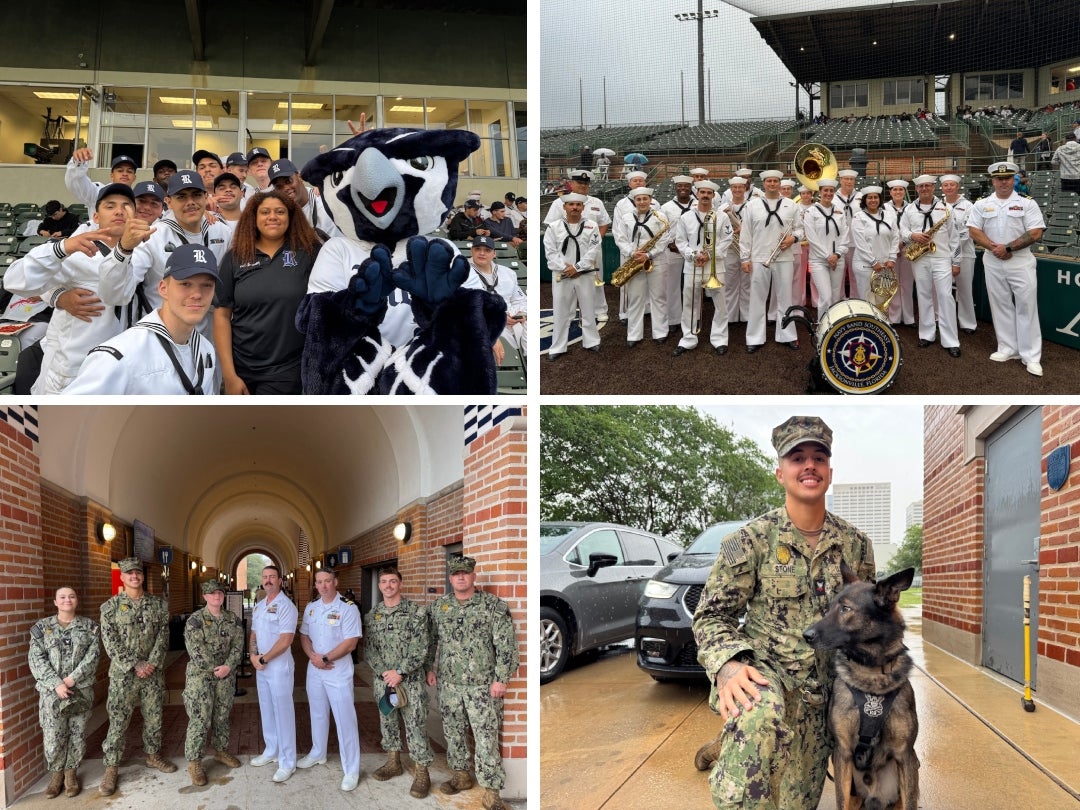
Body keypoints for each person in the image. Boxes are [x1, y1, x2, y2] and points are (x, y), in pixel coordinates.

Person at [692, 416, 876, 810]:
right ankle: (744, 739)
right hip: (768, 677)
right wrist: (728, 666)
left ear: (829, 471)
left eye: (818, 457)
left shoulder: (857, 546)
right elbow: (711, 616)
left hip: (826, 697)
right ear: (780, 472)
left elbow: (867, 622)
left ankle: (730, 745)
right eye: (797, 458)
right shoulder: (748, 542)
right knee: (758, 720)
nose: (809, 465)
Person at [1, 183, 137, 394]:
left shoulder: (142, 249)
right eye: (110, 206)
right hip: (74, 371)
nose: (119, 210)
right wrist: (61, 250)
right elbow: (14, 280)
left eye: (126, 205)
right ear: (96, 217)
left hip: (119, 368)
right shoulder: (78, 250)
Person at [64, 243, 221, 394]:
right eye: (185, 284)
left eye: (207, 285)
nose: (197, 295)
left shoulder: (205, 348)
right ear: (163, 289)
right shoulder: (120, 356)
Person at [426, 556, 519, 810]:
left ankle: (492, 791)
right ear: (450, 578)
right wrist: (429, 668)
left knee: (486, 737)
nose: (460, 577)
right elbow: (431, 640)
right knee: (454, 733)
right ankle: (461, 776)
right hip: (449, 685)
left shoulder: (493, 606)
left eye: (465, 573)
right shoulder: (440, 607)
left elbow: (506, 645)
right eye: (456, 574)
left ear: (473, 576)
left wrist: (501, 679)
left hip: (482, 686)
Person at [213, 190, 320, 394]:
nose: (272, 217)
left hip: (288, 369)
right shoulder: (235, 257)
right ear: (254, 218)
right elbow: (222, 315)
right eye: (265, 212)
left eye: (280, 212)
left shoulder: (308, 252)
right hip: (241, 368)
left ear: (290, 217)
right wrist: (229, 375)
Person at [98, 557, 176, 796]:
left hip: (152, 673)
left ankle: (153, 756)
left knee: (154, 716)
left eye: (138, 573)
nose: (134, 576)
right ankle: (111, 767)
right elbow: (110, 642)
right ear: (122, 577)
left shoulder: (158, 605)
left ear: (143, 576)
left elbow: (163, 636)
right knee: (119, 720)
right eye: (129, 573)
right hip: (124, 675)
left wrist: (151, 663)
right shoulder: (110, 608)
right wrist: (135, 663)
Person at [966, 160, 1047, 377]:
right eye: (999, 178)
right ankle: (1008, 348)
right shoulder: (981, 204)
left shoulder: (1027, 203)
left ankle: (1031, 356)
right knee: (1000, 305)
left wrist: (1009, 247)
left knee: (1026, 307)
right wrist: (995, 248)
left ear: (1014, 179)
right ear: (993, 180)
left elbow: (1036, 231)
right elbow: (974, 230)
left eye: (1008, 178)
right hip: (993, 260)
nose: (1003, 182)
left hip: (1020, 261)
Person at [364, 566, 435, 799]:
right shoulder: (372, 616)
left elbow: (421, 647)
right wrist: (386, 673)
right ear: (379, 585)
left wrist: (400, 672)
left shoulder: (416, 612)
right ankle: (393, 762)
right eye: (384, 581)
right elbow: (370, 650)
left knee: (415, 725)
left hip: (410, 682)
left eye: (392, 581)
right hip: (383, 681)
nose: (388, 585)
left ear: (400, 584)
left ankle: (422, 772)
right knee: (388, 721)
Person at [28, 587, 100, 799]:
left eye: (71, 596)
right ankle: (56, 775)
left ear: (76, 600)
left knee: (77, 734)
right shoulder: (42, 628)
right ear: (55, 602)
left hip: (80, 690)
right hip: (52, 694)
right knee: (53, 735)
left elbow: (93, 656)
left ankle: (71, 775)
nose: (67, 600)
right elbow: (36, 659)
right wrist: (56, 684)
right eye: (62, 597)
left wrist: (72, 679)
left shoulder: (90, 627)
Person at [298, 569, 362, 792]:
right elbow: (304, 635)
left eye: (327, 581)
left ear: (335, 582)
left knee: (345, 719)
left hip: (337, 669)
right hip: (315, 668)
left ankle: (351, 769)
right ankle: (318, 752)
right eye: (319, 582)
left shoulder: (348, 607)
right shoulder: (312, 607)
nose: (323, 585)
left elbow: (351, 642)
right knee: (317, 712)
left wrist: (325, 658)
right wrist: (314, 658)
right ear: (315, 585)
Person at [183, 579, 244, 786]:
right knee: (200, 719)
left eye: (220, 593)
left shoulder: (232, 620)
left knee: (221, 715)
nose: (216, 596)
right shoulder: (195, 620)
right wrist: (214, 669)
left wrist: (228, 666)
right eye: (212, 593)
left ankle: (220, 751)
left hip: (226, 677)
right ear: (205, 597)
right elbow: (195, 650)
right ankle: (194, 762)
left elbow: (238, 646)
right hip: (201, 678)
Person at [740, 169, 803, 352]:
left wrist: (793, 239)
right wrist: (745, 258)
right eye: (769, 181)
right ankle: (754, 338)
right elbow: (746, 234)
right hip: (759, 257)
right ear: (764, 184)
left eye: (775, 181)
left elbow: (800, 230)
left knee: (785, 297)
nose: (772, 184)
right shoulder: (752, 206)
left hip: (784, 258)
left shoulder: (791, 205)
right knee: (757, 299)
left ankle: (787, 335)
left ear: (780, 183)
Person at [899, 174, 962, 357]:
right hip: (920, 258)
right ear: (916, 189)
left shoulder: (946, 208)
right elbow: (902, 230)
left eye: (928, 186)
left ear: (934, 187)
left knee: (945, 296)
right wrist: (913, 236)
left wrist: (956, 262)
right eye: (921, 187)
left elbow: (955, 237)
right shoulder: (910, 209)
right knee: (923, 295)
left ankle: (951, 340)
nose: (924, 189)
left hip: (942, 257)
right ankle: (927, 335)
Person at [672, 180, 733, 357]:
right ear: (696, 194)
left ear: (713, 196)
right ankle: (688, 338)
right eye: (702, 192)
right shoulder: (686, 217)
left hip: (715, 265)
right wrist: (693, 255)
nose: (705, 195)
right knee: (690, 302)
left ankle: (720, 339)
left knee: (720, 303)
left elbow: (727, 239)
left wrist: (709, 255)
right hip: (693, 265)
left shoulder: (722, 217)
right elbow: (680, 241)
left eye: (709, 193)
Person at [250, 564, 299, 783]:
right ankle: (271, 750)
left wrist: (264, 658)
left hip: (278, 667)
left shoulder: (286, 606)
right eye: (265, 577)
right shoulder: (259, 606)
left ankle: (287, 761)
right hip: (261, 666)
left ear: (280, 580)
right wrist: (252, 656)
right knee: (266, 709)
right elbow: (253, 634)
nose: (268, 580)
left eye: (272, 577)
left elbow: (286, 640)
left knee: (283, 713)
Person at [544, 192, 602, 360]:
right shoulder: (554, 227)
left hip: (584, 274)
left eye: (578, 204)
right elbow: (550, 252)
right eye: (571, 204)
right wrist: (565, 267)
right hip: (562, 275)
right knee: (561, 310)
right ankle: (558, 346)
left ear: (583, 207)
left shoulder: (592, 225)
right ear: (564, 207)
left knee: (588, 308)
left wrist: (578, 267)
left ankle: (591, 341)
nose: (575, 207)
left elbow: (594, 249)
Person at [613, 187, 671, 347]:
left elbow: (664, 239)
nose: (642, 202)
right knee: (635, 298)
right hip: (634, 261)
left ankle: (660, 332)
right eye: (639, 199)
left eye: (645, 199)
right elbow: (620, 238)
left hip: (656, 261)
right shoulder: (625, 218)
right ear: (634, 201)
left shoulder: (661, 216)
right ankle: (634, 334)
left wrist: (649, 254)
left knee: (658, 297)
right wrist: (632, 253)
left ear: (650, 200)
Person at [800, 177, 848, 312]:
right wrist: (828, 256)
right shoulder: (811, 212)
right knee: (826, 297)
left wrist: (837, 254)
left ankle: (834, 328)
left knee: (836, 297)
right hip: (819, 260)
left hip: (838, 259)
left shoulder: (840, 212)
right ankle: (823, 330)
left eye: (831, 191)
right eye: (825, 190)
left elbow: (845, 235)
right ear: (820, 192)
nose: (828, 193)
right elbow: (812, 238)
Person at [267, 159, 344, 240]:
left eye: (288, 181)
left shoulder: (323, 205)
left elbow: (341, 245)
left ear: (299, 176)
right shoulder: (279, 213)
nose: (285, 188)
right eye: (279, 187)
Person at [660, 176, 699, 332]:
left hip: (693, 251)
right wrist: (671, 243)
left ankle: (694, 317)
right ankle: (673, 318)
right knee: (672, 285)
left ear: (691, 187)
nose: (683, 188)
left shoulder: (698, 204)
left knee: (693, 286)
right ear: (675, 187)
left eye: (686, 185)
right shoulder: (666, 207)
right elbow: (663, 229)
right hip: (673, 250)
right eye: (680, 185)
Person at [939, 174, 977, 334]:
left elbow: (968, 230)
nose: (948, 188)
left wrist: (951, 244)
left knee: (964, 288)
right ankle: (942, 321)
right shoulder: (937, 205)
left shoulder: (968, 205)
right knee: (941, 291)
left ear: (958, 187)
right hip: (941, 254)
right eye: (946, 185)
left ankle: (968, 323)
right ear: (941, 188)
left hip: (965, 253)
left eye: (952, 185)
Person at [850, 185, 899, 306]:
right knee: (867, 299)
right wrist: (873, 262)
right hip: (865, 265)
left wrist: (892, 258)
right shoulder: (858, 217)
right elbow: (860, 243)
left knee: (883, 298)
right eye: (869, 198)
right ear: (864, 200)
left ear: (880, 199)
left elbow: (895, 237)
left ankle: (880, 324)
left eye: (875, 197)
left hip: (885, 265)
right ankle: (868, 324)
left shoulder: (889, 215)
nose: (873, 200)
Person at [885, 179, 915, 326]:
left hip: (908, 249)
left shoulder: (912, 208)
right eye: (895, 189)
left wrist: (903, 243)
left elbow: (914, 228)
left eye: (900, 190)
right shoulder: (883, 208)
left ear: (904, 192)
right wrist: (894, 247)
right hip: (891, 251)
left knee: (907, 284)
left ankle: (909, 318)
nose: (898, 192)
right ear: (890, 192)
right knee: (893, 284)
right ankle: (894, 317)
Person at [720, 177, 750, 322]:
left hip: (748, 250)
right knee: (730, 284)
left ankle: (746, 316)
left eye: (740, 187)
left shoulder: (753, 205)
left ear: (745, 188)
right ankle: (730, 317)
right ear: (731, 189)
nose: (737, 190)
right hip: (731, 250)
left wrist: (744, 228)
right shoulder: (722, 207)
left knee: (747, 284)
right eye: (734, 187)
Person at [65, 150, 137, 210]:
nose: (125, 174)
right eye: (120, 170)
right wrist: (79, 163)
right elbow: (76, 183)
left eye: (129, 171)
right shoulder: (98, 192)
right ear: (112, 175)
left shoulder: (139, 198)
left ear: (134, 177)